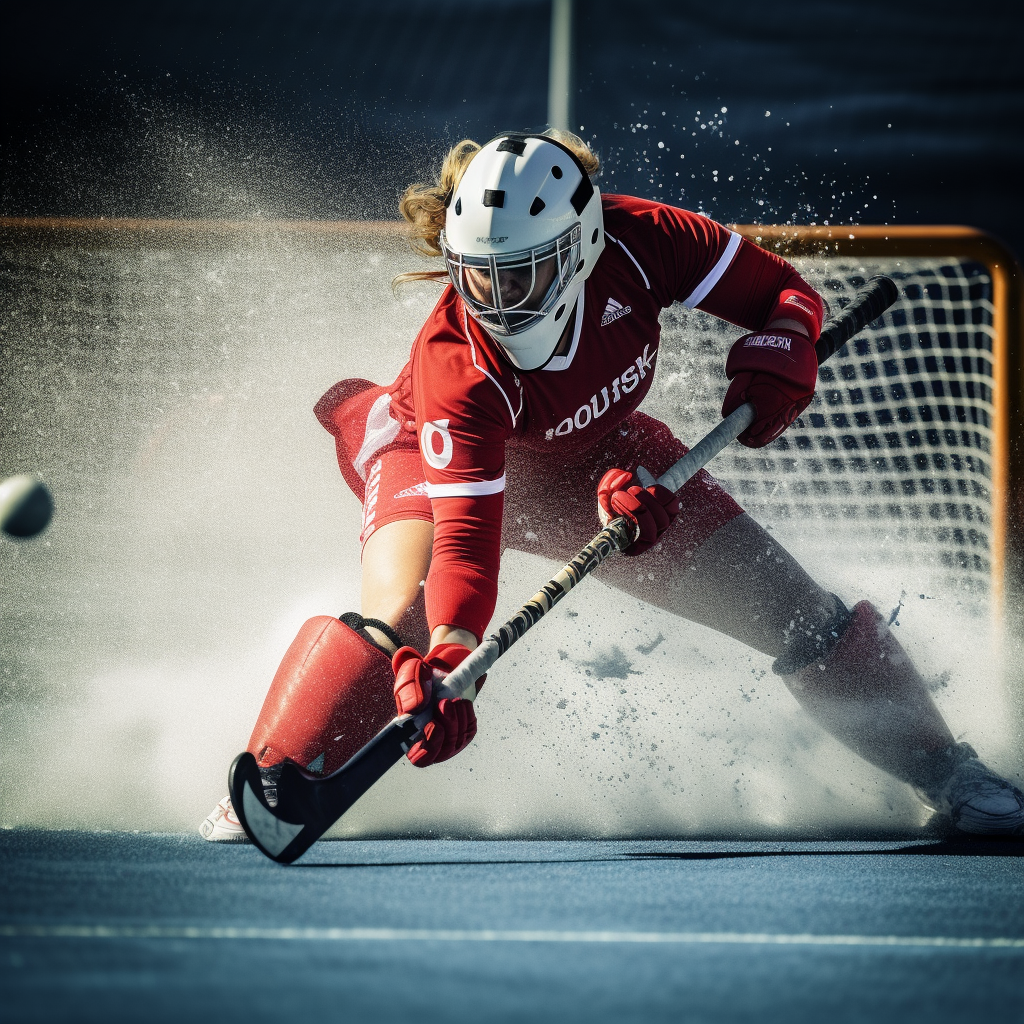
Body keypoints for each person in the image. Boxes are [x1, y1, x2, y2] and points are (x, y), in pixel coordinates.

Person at [201, 130, 1024, 841]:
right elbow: (465, 541)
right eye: (479, 275)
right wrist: (455, 654)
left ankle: (950, 775)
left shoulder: (647, 238)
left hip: (600, 449)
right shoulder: (457, 369)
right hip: (426, 453)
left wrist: (783, 354)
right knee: (398, 612)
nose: (496, 299)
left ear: (584, 242)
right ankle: (265, 787)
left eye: (523, 273)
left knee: (800, 617)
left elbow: (784, 293)